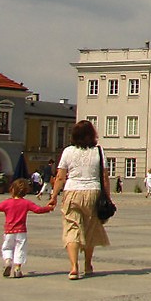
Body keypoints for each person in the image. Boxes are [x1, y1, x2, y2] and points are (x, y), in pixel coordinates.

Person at [48, 120, 110, 280]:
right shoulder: (99, 151)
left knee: (71, 228)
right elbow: (104, 177)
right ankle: (87, 264)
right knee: (90, 228)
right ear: (92, 134)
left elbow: (60, 176)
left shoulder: (68, 151)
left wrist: (54, 196)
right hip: (93, 192)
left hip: (72, 191)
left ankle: (74, 266)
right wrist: (108, 196)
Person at [0, 178, 54, 278]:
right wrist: (48, 208)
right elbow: (38, 210)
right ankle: (17, 268)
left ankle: (8, 261)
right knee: (20, 249)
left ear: (12, 190)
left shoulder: (7, 202)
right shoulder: (26, 203)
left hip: (9, 230)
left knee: (7, 247)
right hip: (21, 231)